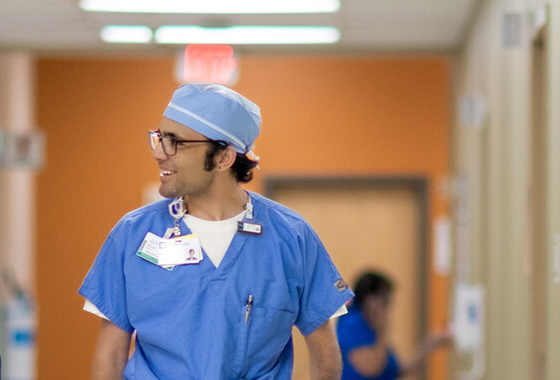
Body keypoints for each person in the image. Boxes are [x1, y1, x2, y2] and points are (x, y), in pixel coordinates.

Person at [80, 83, 355, 379]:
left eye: (176, 142)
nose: (159, 153)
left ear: (224, 157)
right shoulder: (132, 235)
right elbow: (111, 354)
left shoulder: (291, 237)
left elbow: (324, 349)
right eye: (160, 138)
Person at [337, 271, 452, 380]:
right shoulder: (352, 323)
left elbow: (399, 371)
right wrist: (382, 331)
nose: (387, 308)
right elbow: (372, 367)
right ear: (370, 300)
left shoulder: (372, 331)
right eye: (385, 300)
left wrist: (430, 344)